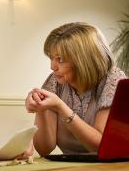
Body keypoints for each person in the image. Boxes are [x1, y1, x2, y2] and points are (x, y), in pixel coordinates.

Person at [25, 22, 127, 156]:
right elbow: (45, 149)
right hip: (69, 168)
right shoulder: (55, 81)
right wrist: (41, 108)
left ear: (83, 60)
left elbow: (100, 145)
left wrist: (61, 107)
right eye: (51, 58)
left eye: (60, 59)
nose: (52, 67)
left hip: (109, 167)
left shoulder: (113, 80)